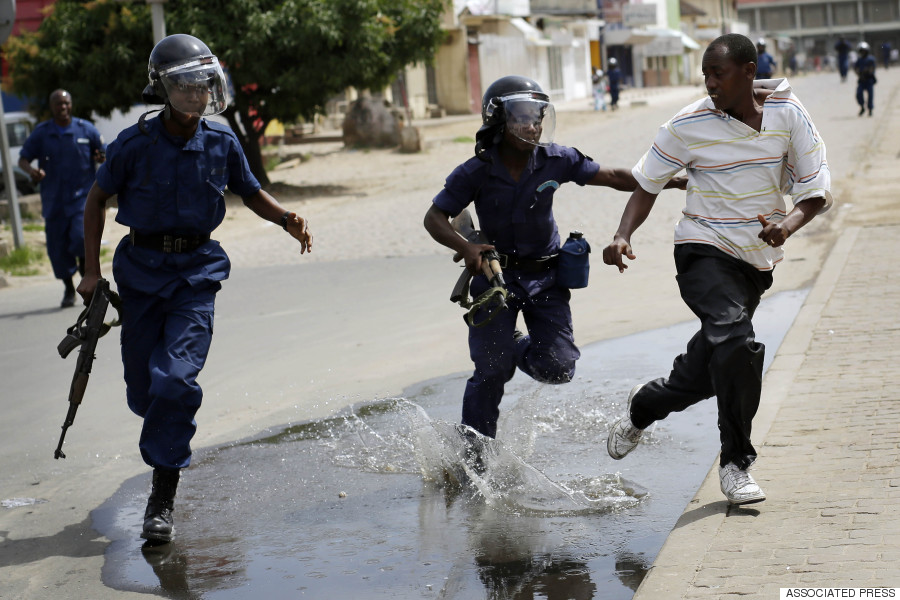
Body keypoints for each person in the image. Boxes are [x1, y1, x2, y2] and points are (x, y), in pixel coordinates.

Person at [76, 34, 312, 543]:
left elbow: (251, 192)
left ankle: (161, 501)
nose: (196, 94)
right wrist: (90, 272)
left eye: (203, 84)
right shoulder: (133, 145)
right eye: (184, 84)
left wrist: (287, 218)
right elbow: (95, 201)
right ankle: (162, 426)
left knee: (174, 381)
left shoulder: (222, 141)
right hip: (140, 273)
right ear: (163, 87)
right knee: (144, 391)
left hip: (196, 276)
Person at [602, 33, 832, 505]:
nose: (709, 84)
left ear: (749, 71)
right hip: (701, 249)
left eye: (718, 74)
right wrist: (624, 234)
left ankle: (642, 408)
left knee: (705, 373)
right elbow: (648, 182)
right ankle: (735, 464)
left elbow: (816, 190)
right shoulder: (687, 124)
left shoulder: (789, 116)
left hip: (754, 261)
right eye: (705, 74)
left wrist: (786, 225)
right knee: (734, 341)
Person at [423, 75, 684, 452]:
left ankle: (516, 346)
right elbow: (435, 217)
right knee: (490, 373)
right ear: (498, 121)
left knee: (559, 368)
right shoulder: (475, 171)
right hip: (494, 279)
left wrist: (662, 180)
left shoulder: (556, 160)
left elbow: (611, 176)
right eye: (522, 117)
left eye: (537, 117)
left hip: (546, 278)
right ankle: (473, 456)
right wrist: (466, 247)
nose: (532, 125)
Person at [18, 90, 106, 308]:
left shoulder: (85, 129)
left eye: (66, 103)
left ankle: (87, 274)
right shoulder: (42, 133)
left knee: (80, 239)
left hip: (82, 200)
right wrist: (32, 171)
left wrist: (101, 156)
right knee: (57, 250)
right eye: (59, 104)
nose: (63, 107)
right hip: (54, 200)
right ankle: (68, 287)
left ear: (71, 104)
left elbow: (103, 152)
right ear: (52, 107)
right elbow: (23, 159)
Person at [854, 41, 877, 117]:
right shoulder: (859, 60)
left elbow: (872, 68)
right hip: (862, 80)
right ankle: (862, 107)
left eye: (864, 50)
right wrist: (859, 74)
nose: (863, 52)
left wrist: (867, 71)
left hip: (869, 80)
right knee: (859, 94)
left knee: (870, 95)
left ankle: (870, 109)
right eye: (861, 50)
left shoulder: (871, 59)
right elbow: (855, 68)